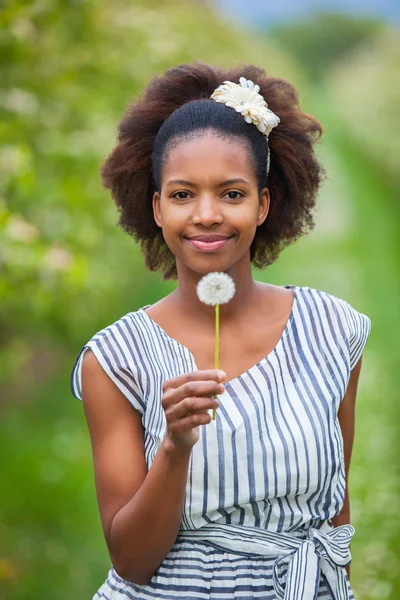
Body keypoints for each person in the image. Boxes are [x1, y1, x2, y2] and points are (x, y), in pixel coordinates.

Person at [70, 62, 371, 599]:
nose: (207, 214)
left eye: (232, 194)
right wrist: (175, 447)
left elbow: (335, 514)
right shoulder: (115, 360)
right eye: (183, 195)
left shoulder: (333, 331)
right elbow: (133, 561)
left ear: (264, 205)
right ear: (157, 208)